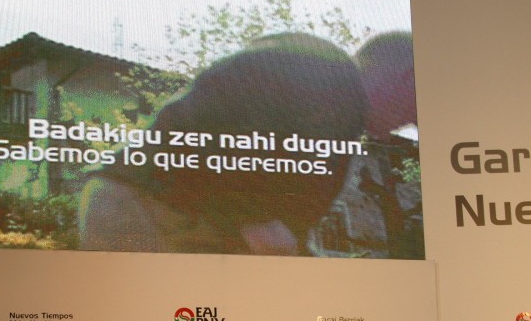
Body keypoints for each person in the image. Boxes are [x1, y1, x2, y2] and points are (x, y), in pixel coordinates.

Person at [80, 33, 366, 255]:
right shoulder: (323, 72)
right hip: (143, 203)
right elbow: (210, 109)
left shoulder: (338, 113)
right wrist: (256, 217)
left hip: (187, 215)